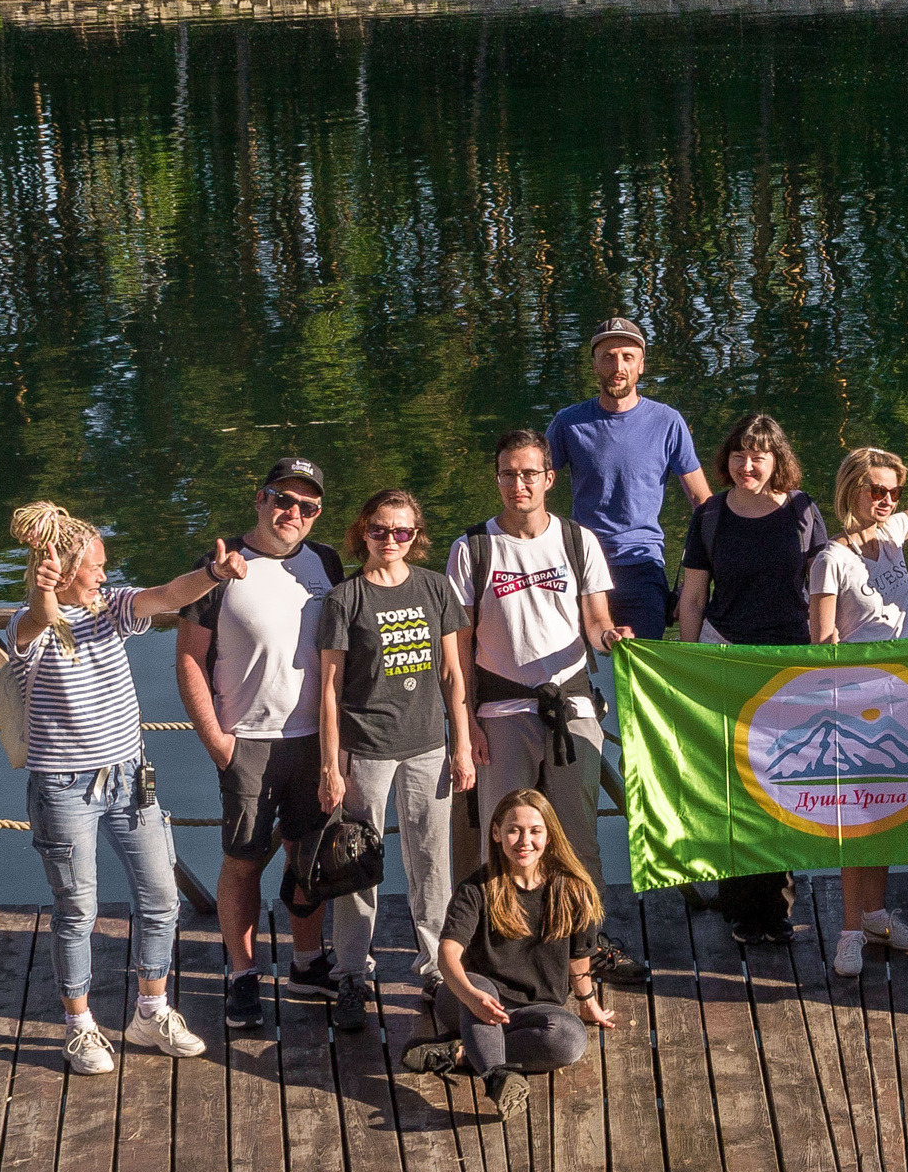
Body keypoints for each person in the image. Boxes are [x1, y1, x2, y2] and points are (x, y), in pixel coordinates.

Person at [5, 503, 228, 1073]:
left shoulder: (110, 609)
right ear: (65, 571)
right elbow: (38, 620)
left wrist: (213, 575)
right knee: (77, 910)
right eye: (96, 566)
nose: (105, 574)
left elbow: (167, 595)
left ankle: (151, 1012)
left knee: (161, 897)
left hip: (131, 777)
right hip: (63, 787)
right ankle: (80, 1027)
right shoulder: (28, 625)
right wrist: (43, 591)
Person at [447, 428, 645, 984]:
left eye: (529, 473)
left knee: (577, 837)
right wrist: (463, 727)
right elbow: (457, 650)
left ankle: (588, 945)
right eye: (509, 474)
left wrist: (611, 639)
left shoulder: (578, 541)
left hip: (570, 707)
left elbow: (596, 621)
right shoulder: (472, 548)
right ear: (497, 480)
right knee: (504, 837)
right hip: (499, 712)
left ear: (549, 479)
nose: (519, 484)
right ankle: (503, 950)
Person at [176, 457, 347, 1030]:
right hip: (246, 741)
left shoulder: (325, 562)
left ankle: (307, 961)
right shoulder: (220, 564)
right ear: (260, 499)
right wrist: (216, 739)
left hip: (315, 740)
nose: (293, 512)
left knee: (311, 855)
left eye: (307, 505)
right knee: (244, 860)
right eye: (283, 499)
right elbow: (189, 657)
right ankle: (243, 974)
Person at [315, 489, 475, 1031]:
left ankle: (437, 967)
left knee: (432, 862)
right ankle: (351, 973)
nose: (390, 540)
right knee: (356, 861)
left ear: (415, 536)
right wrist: (330, 765)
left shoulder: (435, 587)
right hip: (365, 748)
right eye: (380, 530)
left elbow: (452, 673)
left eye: (402, 531)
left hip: (429, 746)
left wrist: (462, 743)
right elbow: (330, 688)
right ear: (363, 531)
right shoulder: (345, 598)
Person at [677, 412, 829, 946]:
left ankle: (777, 908)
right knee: (734, 786)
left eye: (759, 455)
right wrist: (690, 665)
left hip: (788, 662)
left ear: (777, 459)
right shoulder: (711, 515)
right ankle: (739, 906)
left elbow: (826, 586)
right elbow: (693, 596)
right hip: (727, 659)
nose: (747, 465)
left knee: (783, 780)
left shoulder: (804, 511)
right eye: (739, 454)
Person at [811, 441, 908, 977]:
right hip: (854, 703)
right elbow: (822, 641)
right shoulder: (831, 559)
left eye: (895, 492)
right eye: (877, 490)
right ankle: (849, 932)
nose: (888, 500)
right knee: (857, 818)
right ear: (852, 489)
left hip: (899, 696)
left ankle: (875, 915)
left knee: (886, 808)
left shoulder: (892, 535)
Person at [406, 789, 619, 1121]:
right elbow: (448, 952)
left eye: (535, 831)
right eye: (513, 830)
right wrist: (470, 995)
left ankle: (463, 1053)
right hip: (470, 1001)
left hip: (534, 1011)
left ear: (549, 835)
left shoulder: (572, 887)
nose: (524, 841)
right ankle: (495, 1077)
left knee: (570, 1039)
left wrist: (587, 1002)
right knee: (483, 990)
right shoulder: (476, 888)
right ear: (496, 833)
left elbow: (579, 955)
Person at [545, 316, 712, 644]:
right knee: (581, 664)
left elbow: (702, 504)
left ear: (641, 365)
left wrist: (693, 583)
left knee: (641, 658)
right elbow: (532, 483)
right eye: (608, 357)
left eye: (627, 357)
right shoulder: (568, 423)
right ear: (594, 365)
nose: (618, 366)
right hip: (582, 564)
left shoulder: (667, 422)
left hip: (643, 566)